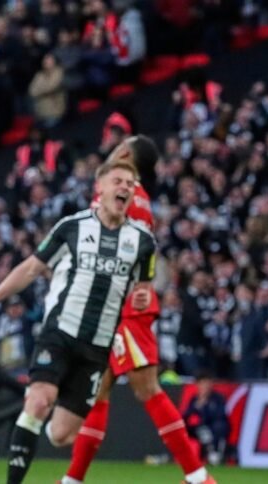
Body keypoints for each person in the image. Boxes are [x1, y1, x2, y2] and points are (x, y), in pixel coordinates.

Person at [0, 157, 157, 484]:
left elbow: (142, 289)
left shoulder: (143, 242)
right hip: (60, 332)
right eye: (118, 181)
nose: (125, 188)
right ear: (100, 187)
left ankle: (36, 429)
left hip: (97, 347)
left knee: (61, 435)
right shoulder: (72, 227)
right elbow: (31, 268)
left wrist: (142, 296)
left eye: (130, 184)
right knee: (39, 401)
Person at [60, 137, 215, 484]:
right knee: (97, 391)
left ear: (126, 154)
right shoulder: (136, 196)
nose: (113, 149)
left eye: (119, 146)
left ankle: (198, 476)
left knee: (147, 388)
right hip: (115, 305)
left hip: (125, 306)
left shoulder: (120, 193)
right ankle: (73, 480)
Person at [183, 371, 229, 465]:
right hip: (201, 427)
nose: (205, 386)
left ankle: (215, 453)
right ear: (197, 385)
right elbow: (186, 415)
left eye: (207, 383)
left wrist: (205, 407)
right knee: (193, 429)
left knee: (218, 427)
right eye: (202, 383)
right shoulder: (195, 399)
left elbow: (220, 415)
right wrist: (196, 407)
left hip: (214, 426)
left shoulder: (217, 398)